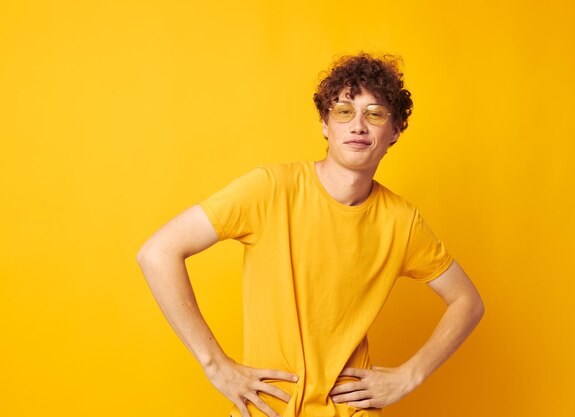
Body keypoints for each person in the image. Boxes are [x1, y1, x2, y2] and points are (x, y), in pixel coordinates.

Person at [136, 52, 484, 417]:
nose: (358, 125)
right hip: (267, 409)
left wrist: (410, 375)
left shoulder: (401, 220)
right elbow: (157, 253)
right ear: (325, 123)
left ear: (394, 130)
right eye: (344, 111)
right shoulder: (270, 188)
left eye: (375, 113)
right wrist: (216, 365)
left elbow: (468, 301)